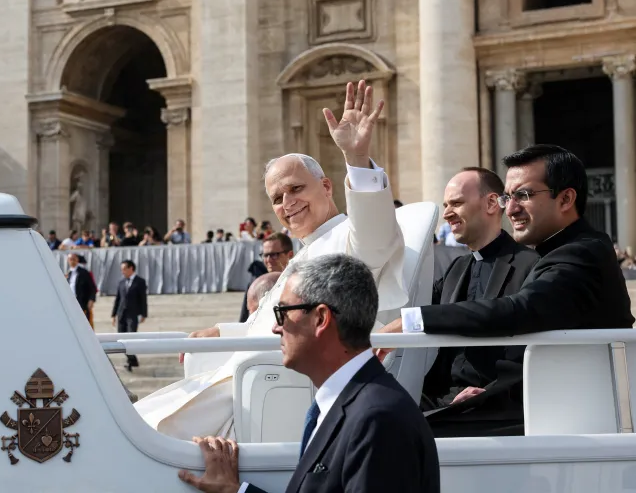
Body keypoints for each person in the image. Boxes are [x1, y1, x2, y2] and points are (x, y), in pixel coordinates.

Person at [134, 80, 407, 440]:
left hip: (269, 383)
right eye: (277, 198)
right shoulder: (307, 248)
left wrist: (356, 159)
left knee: (142, 435)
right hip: (244, 377)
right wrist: (223, 330)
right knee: (136, 421)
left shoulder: (351, 237)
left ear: (326, 187)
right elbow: (266, 326)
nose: (287, 202)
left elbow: (374, 237)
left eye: (296, 189)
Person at [380, 145, 635, 405]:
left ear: (566, 199)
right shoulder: (561, 251)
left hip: (567, 415)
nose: (510, 209)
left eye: (523, 195)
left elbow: (520, 309)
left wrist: (413, 320)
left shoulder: (581, 253)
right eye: (508, 197)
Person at [177, 254, 439, 493]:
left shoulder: (379, 420)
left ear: (320, 319)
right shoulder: (349, 405)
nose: (275, 329)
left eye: (282, 313)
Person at [420, 167, 539, 436]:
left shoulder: (530, 265)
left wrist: (478, 397)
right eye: (446, 205)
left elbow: (526, 357)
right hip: (440, 399)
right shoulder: (456, 269)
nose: (448, 212)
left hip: (495, 405)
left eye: (457, 203)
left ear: (490, 203)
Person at [240, 233, 295, 322]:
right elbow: (244, 320)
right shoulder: (256, 285)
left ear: (290, 255)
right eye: (265, 255)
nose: (268, 260)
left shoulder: (298, 283)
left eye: (274, 255)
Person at [112, 260, 148, 371]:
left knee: (130, 338)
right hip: (121, 314)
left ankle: (131, 361)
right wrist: (113, 314)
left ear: (131, 268)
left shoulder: (140, 281)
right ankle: (132, 359)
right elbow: (118, 299)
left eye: (124, 269)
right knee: (120, 338)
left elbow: (143, 299)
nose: (122, 271)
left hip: (133, 314)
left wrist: (143, 314)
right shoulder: (121, 282)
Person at [66, 253, 96, 325]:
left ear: (77, 260)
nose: (72, 261)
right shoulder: (68, 273)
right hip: (71, 302)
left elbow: (92, 287)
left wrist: (91, 300)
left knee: (85, 323)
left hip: (82, 302)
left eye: (74, 259)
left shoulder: (83, 272)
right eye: (70, 259)